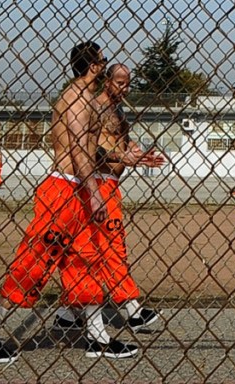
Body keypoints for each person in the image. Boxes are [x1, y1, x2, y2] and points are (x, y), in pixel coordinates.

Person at [0, 41, 133, 362]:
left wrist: (125, 155)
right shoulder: (76, 100)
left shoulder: (87, 101)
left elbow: (92, 150)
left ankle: (98, 337)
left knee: (87, 260)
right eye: (103, 61)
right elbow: (79, 152)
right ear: (94, 66)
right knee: (34, 263)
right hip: (63, 192)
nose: (104, 65)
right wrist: (96, 193)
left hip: (78, 190)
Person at [63, 63, 163, 335]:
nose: (125, 88)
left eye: (128, 83)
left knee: (92, 248)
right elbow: (87, 149)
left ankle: (70, 312)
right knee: (111, 244)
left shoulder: (119, 110)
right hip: (98, 184)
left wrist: (136, 152)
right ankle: (132, 309)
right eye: (120, 82)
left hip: (112, 185)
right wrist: (121, 156)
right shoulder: (94, 107)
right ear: (106, 80)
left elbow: (123, 141)